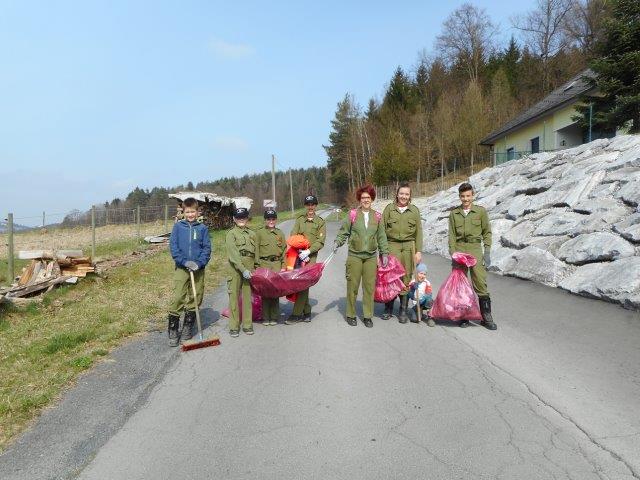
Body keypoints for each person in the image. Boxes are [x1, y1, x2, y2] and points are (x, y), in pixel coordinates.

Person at [334, 185, 389, 328]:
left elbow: (381, 236)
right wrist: (338, 242)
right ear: (359, 199)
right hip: (355, 256)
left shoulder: (377, 216)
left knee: (369, 288)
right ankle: (351, 314)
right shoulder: (352, 214)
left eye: (368, 197)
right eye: (363, 197)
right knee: (352, 286)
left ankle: (367, 315)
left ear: (372, 199)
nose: (366, 200)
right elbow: (344, 231)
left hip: (370, 257)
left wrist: (384, 253)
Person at [448, 182, 496, 330]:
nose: (465, 199)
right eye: (462, 196)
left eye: (468, 196)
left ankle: (486, 316)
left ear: (472, 195)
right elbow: (451, 235)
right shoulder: (454, 213)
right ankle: (463, 316)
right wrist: (453, 253)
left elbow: (487, 232)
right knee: (460, 284)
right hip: (460, 248)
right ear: (459, 197)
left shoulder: (480, 212)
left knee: (480, 282)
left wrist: (487, 251)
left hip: (475, 248)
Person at [167, 198, 212, 346]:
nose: (191, 214)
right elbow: (173, 247)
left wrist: (199, 263)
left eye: (193, 211)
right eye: (188, 212)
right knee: (179, 296)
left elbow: (206, 248)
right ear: (183, 212)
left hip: (198, 269)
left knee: (196, 296)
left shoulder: (202, 228)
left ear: (197, 212)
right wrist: (184, 261)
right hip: (182, 267)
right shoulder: (178, 227)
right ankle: (173, 329)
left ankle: (187, 326)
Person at [382, 183, 423, 323]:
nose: (404, 196)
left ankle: (403, 310)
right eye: (401, 194)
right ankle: (388, 308)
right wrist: (383, 251)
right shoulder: (389, 209)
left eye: (407, 194)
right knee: (391, 277)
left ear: (410, 196)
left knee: (405, 277)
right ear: (397, 194)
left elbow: (419, 232)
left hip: (408, 246)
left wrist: (418, 251)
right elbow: (382, 230)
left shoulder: (414, 211)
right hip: (391, 245)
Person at [285, 195, 326, 324]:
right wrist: (300, 250)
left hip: (311, 257)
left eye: (313, 204)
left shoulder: (320, 222)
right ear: (305, 206)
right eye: (308, 204)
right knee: (299, 283)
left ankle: (296, 314)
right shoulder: (299, 220)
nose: (310, 207)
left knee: (304, 283)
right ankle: (307, 311)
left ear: (316, 206)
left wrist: (309, 251)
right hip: (298, 256)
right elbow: (293, 236)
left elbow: (320, 241)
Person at [226, 207, 257, 337]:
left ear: (247, 218)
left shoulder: (252, 234)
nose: (241, 220)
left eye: (243, 217)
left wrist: (255, 268)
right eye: (238, 218)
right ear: (234, 219)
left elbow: (256, 253)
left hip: (249, 268)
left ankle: (247, 324)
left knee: (247, 297)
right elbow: (233, 255)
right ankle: (234, 326)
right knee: (234, 297)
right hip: (235, 269)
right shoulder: (231, 234)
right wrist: (243, 269)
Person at [255, 209, 286, 325]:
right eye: (268, 219)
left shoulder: (280, 234)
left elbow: (284, 251)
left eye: (273, 219)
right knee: (265, 292)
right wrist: (257, 266)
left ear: (276, 220)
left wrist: (283, 266)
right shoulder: (259, 233)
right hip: (264, 264)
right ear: (265, 220)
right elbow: (256, 250)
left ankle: (274, 317)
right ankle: (265, 317)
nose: (271, 221)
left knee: (275, 292)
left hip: (277, 265)